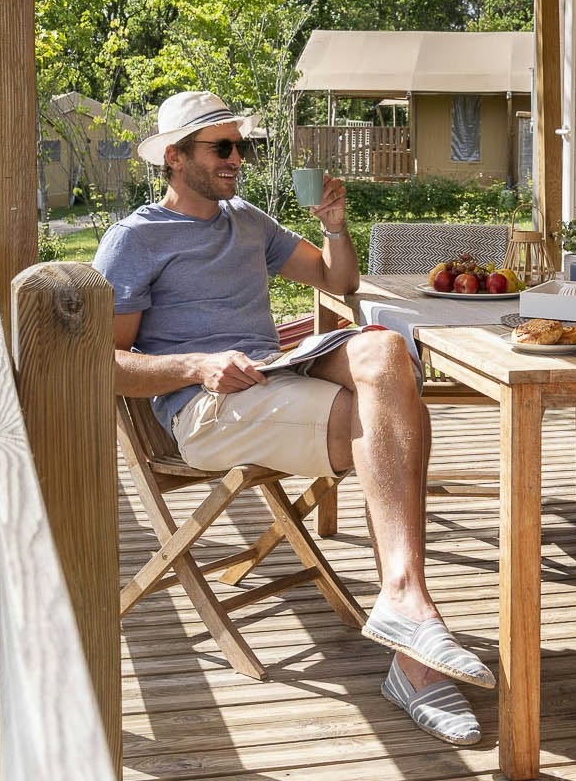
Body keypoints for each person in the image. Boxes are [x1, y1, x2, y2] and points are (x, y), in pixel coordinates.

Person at [94, 90, 490, 745]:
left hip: (273, 374)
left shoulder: (247, 221)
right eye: (221, 147)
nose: (237, 159)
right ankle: (415, 658)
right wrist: (195, 366)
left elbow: (339, 283)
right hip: (206, 409)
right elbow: (104, 364)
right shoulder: (136, 239)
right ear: (174, 157)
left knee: (387, 352)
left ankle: (403, 600)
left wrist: (335, 223)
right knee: (376, 420)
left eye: (240, 146)